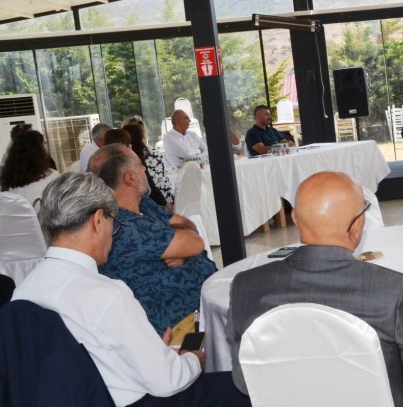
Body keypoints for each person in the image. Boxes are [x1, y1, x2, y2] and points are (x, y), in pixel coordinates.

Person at [228, 171, 403, 406]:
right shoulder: (392, 289)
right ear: (357, 226)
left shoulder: (245, 286)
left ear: (295, 219)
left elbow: (245, 382)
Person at [11, 172, 250, 406]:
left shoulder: (22, 291)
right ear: (98, 220)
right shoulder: (105, 294)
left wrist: (153, 353)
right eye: (113, 223)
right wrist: (192, 359)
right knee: (248, 385)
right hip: (138, 399)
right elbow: (168, 381)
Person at [89, 144, 217, 335]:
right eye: (139, 165)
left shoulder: (144, 204)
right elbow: (196, 242)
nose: (144, 169)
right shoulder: (120, 226)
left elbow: (189, 225)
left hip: (204, 306)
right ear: (130, 178)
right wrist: (184, 244)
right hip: (179, 325)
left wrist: (184, 251)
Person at [103, 128, 171, 209]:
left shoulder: (102, 165)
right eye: (128, 144)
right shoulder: (133, 162)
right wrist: (164, 205)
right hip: (139, 206)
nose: (131, 146)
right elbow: (151, 187)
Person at [0, 129, 59, 207]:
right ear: (38, 150)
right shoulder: (52, 176)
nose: (46, 146)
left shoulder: (8, 181)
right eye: (44, 143)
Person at [123, 124, 174, 205]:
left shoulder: (126, 158)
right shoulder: (151, 153)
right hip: (163, 197)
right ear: (142, 137)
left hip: (149, 200)